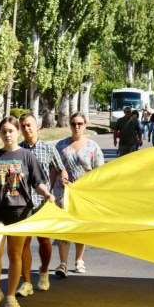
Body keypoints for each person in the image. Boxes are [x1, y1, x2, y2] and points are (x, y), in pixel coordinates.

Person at [0, 116, 55, 307]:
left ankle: (11, 295)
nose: (7, 135)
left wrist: (47, 194)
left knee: (15, 254)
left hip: (21, 212)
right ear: (0, 133)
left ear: (17, 132)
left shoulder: (27, 156)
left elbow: (38, 183)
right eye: (4, 131)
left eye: (11, 131)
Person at [19, 113, 69, 294]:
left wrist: (64, 180)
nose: (26, 129)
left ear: (37, 126)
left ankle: (44, 272)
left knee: (44, 241)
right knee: (23, 243)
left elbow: (61, 169)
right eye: (23, 126)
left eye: (29, 125)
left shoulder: (48, 149)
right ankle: (26, 282)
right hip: (23, 203)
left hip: (43, 201)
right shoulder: (17, 150)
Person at [54, 112, 105, 276]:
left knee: (80, 228)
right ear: (69, 125)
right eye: (74, 123)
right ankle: (62, 263)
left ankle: (79, 259)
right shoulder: (61, 145)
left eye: (80, 124)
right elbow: (54, 166)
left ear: (85, 125)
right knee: (64, 228)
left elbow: (99, 172)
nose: (77, 127)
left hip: (83, 194)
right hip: (63, 194)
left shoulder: (93, 146)